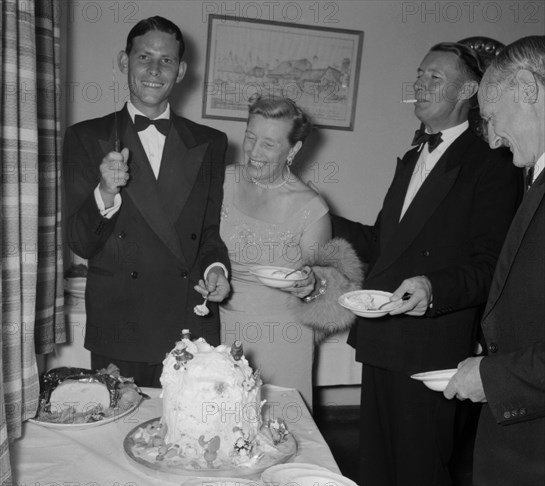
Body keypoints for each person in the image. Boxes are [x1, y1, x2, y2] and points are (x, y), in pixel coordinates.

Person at [332, 42, 523, 486]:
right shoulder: (414, 153)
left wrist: (434, 289)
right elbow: (382, 246)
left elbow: (492, 266)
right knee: (375, 476)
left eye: (434, 78)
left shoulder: (492, 163)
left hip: (432, 347)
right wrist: (317, 217)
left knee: (422, 485)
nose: (419, 84)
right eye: (418, 75)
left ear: (469, 91)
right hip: (381, 338)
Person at [63, 16, 230, 387]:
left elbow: (207, 232)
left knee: (194, 438)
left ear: (182, 70)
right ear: (124, 62)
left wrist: (215, 269)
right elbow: (79, 241)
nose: (154, 70)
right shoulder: (86, 137)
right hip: (121, 325)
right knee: (114, 439)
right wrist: (105, 192)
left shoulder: (211, 143)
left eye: (166, 60)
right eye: (144, 57)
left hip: (189, 320)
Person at [444, 35, 545, 486]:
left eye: (491, 116)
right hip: (514, 464)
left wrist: (493, 376)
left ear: (526, 89)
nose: (490, 138)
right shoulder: (536, 177)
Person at [219, 96, 363, 409]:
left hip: (281, 338)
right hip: (219, 327)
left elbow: (330, 294)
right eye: (250, 137)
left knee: (275, 433)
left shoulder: (311, 210)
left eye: (269, 144)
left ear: (293, 150)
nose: (254, 152)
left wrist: (313, 286)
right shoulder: (224, 181)